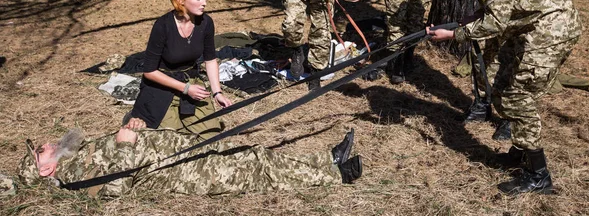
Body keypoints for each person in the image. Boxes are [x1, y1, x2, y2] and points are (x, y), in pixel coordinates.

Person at [427, 0, 581, 195]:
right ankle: (521, 153)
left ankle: (538, 176)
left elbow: (496, 22)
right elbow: (494, 7)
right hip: (530, 26)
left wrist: (455, 34)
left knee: (517, 97)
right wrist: (462, 21)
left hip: (551, 29)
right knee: (501, 88)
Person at [19, 126, 362, 197]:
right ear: (47, 169)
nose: (47, 144)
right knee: (261, 174)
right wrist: (126, 144)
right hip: (188, 172)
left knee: (256, 155)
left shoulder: (79, 154)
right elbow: (113, 190)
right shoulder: (77, 177)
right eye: (41, 152)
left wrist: (134, 131)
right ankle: (336, 176)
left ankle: (323, 159)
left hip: (187, 151)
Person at [129, 0, 232, 139]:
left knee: (210, 136)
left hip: (191, 82)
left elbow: (210, 59)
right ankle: (140, 114)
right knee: (173, 140)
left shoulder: (206, 22)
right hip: (162, 87)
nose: (204, 3)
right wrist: (185, 89)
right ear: (180, 0)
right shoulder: (162, 26)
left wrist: (217, 93)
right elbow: (149, 71)